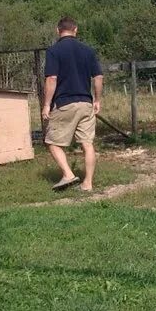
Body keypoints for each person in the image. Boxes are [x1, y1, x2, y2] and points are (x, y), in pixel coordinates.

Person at [42, 17, 103, 192]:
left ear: (57, 30)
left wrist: (47, 105)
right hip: (86, 103)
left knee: (52, 142)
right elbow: (98, 77)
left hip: (65, 102)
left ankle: (68, 174)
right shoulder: (88, 51)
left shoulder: (54, 51)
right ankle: (88, 183)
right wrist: (97, 100)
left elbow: (52, 78)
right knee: (87, 143)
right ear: (75, 29)